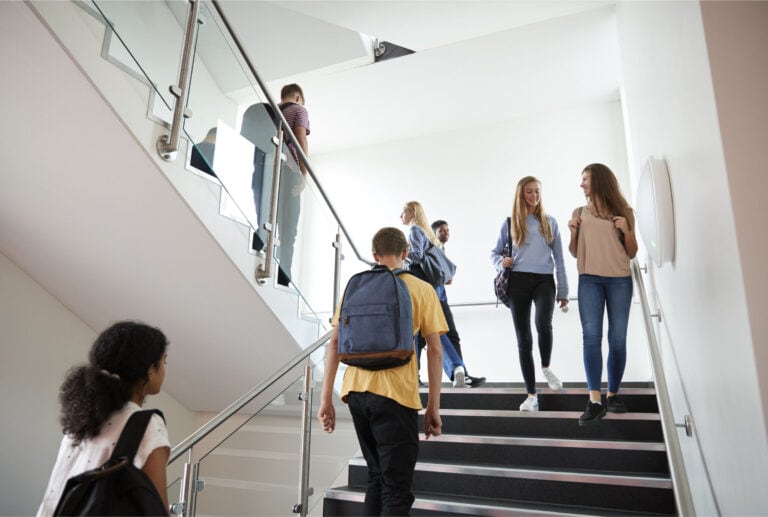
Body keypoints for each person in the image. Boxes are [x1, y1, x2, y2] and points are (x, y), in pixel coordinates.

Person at [317, 227, 444, 515]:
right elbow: (436, 351)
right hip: (395, 395)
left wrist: (326, 398)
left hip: (357, 393)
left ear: (374, 256)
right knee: (396, 490)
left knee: (376, 477)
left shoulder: (356, 288)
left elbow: (335, 343)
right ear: (406, 253)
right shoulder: (422, 289)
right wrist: (433, 408)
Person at [37, 321, 171, 515]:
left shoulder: (81, 419)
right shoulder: (147, 425)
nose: (165, 369)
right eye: (164, 362)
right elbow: (157, 510)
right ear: (150, 370)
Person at [567, 163, 638, 426]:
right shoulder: (579, 213)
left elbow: (631, 252)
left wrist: (627, 230)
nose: (582, 184)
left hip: (619, 280)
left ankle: (613, 394)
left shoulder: (625, 212)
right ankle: (595, 400)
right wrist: (573, 231)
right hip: (589, 281)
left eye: (585, 178)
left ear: (599, 181)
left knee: (618, 339)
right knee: (592, 337)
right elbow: (574, 252)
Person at [490, 177, 569, 412]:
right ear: (521, 194)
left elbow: (560, 259)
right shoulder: (510, 223)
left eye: (537, 191)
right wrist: (500, 262)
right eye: (529, 192)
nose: (534, 196)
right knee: (523, 339)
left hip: (544, 280)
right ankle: (531, 395)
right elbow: (493, 253)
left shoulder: (550, 222)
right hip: (518, 281)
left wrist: (563, 290)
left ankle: (546, 365)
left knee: (543, 324)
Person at [401, 201, 485, 388]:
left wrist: (400, 256)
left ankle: (414, 376)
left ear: (412, 213)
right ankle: (457, 369)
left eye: (403, 212)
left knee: (416, 332)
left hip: (419, 287)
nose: (401, 216)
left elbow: (415, 256)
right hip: (434, 291)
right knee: (437, 331)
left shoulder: (415, 230)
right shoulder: (428, 233)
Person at [275, 83, 311, 286]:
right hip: (289, 172)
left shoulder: (272, 111)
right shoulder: (299, 110)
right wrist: (304, 174)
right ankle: (283, 276)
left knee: (274, 221)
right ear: (298, 97)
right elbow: (300, 138)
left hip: (271, 171)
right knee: (289, 229)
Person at [429, 219, 465, 360]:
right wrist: (446, 275)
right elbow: (438, 275)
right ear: (434, 233)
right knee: (424, 337)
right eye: (441, 230)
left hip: (441, 297)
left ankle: (461, 373)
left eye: (447, 230)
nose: (446, 233)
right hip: (433, 298)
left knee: (451, 335)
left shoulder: (441, 250)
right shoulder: (432, 250)